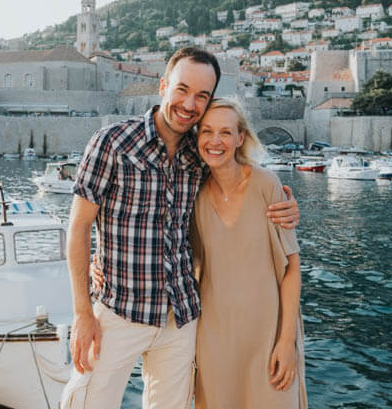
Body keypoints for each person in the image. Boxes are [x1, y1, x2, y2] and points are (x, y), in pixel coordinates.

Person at [62, 47, 300, 408]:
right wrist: (82, 313)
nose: (189, 104)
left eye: (201, 96)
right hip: (119, 311)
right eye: (182, 90)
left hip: (182, 319)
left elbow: (239, 181)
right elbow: (78, 228)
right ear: (163, 85)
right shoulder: (112, 143)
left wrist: (288, 205)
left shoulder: (200, 151)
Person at [191, 98, 306, 408]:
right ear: (197, 137)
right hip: (213, 340)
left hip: (269, 338)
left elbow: (291, 269)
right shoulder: (194, 195)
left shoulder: (266, 185)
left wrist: (286, 342)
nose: (216, 142)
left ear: (240, 138)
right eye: (207, 132)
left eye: (225, 133)